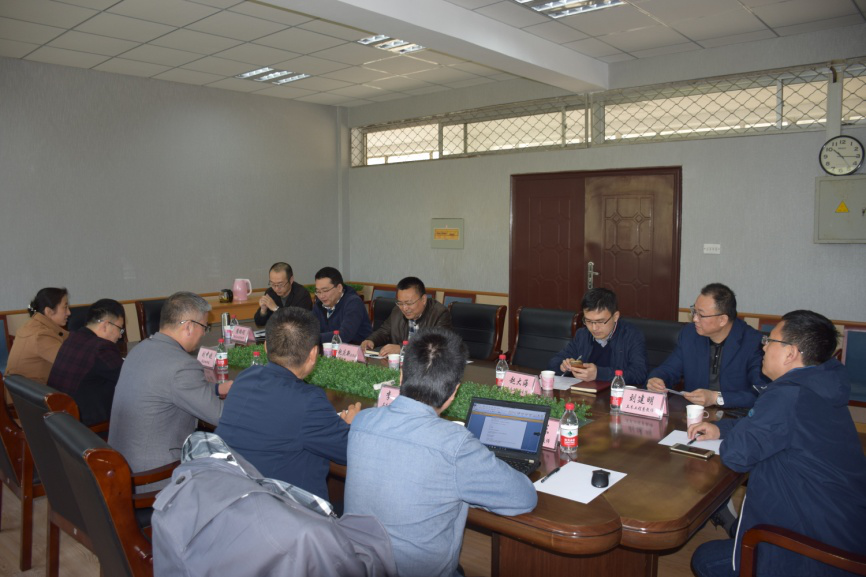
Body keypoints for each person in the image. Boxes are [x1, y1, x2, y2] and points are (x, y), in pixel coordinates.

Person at [345, 327, 537, 577]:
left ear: (401, 375)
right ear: (454, 392)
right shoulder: (455, 445)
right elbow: (524, 498)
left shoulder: (362, 421)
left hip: (357, 565)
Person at [689, 310, 866, 577]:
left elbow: (737, 454)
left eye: (769, 341)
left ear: (790, 353)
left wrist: (741, 428)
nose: (763, 347)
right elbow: (774, 427)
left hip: (817, 548)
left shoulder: (788, 395)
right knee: (735, 532)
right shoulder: (820, 382)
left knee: (705, 559)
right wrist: (720, 428)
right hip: (845, 526)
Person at [216, 307, 361, 501]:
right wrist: (350, 425)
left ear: (265, 347)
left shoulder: (245, 378)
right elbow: (348, 452)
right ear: (313, 354)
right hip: (282, 509)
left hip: (232, 495)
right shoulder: (308, 400)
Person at [109, 292, 232, 488]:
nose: (203, 333)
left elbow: (171, 388)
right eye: (204, 327)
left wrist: (217, 388)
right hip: (153, 477)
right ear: (189, 326)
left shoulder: (140, 349)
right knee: (233, 471)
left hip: (120, 465)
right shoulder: (181, 365)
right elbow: (222, 417)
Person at [647, 283, 766, 408]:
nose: (694, 319)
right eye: (694, 311)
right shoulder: (690, 334)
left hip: (735, 414)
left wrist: (716, 398)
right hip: (694, 411)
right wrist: (657, 379)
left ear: (722, 320)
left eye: (701, 315)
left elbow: (760, 392)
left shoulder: (753, 342)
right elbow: (669, 369)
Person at [48, 298, 125, 426]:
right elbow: (130, 379)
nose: (120, 335)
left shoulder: (73, 338)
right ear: (106, 325)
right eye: (120, 329)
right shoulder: (102, 347)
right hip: (88, 427)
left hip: (61, 421)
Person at [546, 288, 647, 384]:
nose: (594, 328)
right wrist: (562, 366)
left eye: (600, 321)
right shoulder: (583, 334)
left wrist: (598, 374)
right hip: (584, 393)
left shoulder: (632, 336)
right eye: (588, 321)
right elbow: (554, 362)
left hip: (614, 394)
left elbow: (639, 374)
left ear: (615, 316)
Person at [360, 276, 452, 356]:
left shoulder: (440, 313)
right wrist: (371, 340)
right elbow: (384, 332)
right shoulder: (397, 311)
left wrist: (402, 349)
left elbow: (437, 346)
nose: (404, 308)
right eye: (400, 303)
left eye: (409, 303)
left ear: (423, 299)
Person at [6, 287, 71, 384]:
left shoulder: (33, 325)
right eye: (65, 307)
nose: (69, 312)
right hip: (33, 391)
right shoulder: (41, 335)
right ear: (49, 311)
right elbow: (70, 363)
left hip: (22, 389)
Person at [311, 266, 372, 345]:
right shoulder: (319, 303)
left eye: (325, 290)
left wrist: (312, 338)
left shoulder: (353, 302)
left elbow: (344, 335)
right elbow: (310, 327)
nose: (322, 296)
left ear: (339, 288)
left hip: (357, 348)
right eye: (318, 291)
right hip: (329, 348)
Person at [253, 262, 312, 326]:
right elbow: (259, 323)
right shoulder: (270, 293)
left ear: (291, 280)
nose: (276, 289)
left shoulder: (302, 295)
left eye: (280, 284)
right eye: (272, 284)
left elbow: (297, 324)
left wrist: (275, 309)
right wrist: (263, 311)